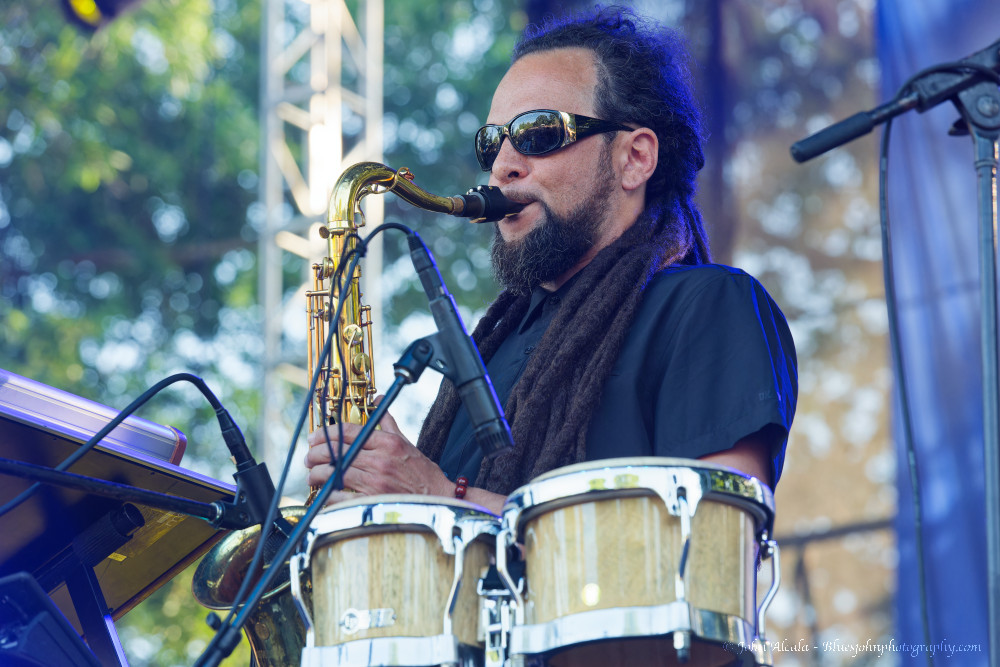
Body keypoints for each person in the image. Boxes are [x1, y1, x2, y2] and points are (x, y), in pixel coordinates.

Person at [305, 6, 797, 516]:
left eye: (539, 133)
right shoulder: (490, 349)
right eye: (491, 142)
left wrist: (437, 495)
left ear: (635, 158)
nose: (502, 166)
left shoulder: (708, 304)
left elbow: (716, 540)